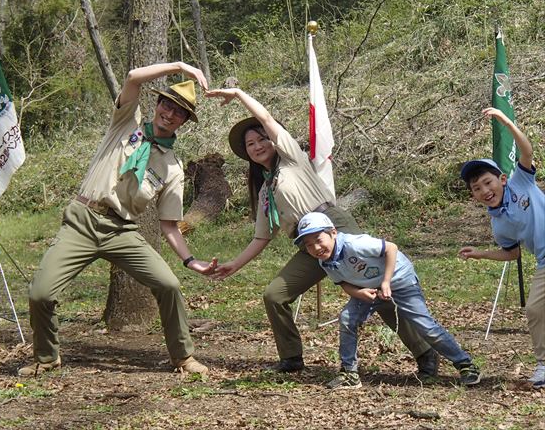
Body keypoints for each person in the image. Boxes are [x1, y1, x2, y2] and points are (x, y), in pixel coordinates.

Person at [205, 87, 439, 378]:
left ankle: (425, 353)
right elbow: (262, 237)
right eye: (250, 144)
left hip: (334, 228)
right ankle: (291, 358)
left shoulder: (291, 158)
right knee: (274, 295)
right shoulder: (265, 190)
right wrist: (234, 265)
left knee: (377, 294)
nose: (257, 146)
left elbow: (265, 116)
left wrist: (239, 94)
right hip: (307, 244)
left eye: (261, 138)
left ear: (273, 140)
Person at [19, 62, 216, 377]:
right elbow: (133, 77)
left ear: (184, 121)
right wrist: (180, 66)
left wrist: (191, 260)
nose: (170, 113)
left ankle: (183, 357)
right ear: (158, 104)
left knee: (169, 285)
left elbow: (168, 224)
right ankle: (46, 358)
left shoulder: (173, 168)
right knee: (41, 293)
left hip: (121, 231)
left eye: (179, 112)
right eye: (167, 104)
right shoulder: (126, 124)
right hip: (82, 221)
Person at [295, 211, 482, 390]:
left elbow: (391, 248)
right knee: (347, 318)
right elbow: (343, 283)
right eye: (309, 245)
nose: (316, 248)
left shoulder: (355, 244)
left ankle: (465, 364)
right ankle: (349, 373)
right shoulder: (324, 261)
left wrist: (386, 282)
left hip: (399, 279)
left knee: (425, 325)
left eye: (319, 240)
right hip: (370, 288)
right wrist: (359, 294)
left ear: (333, 233)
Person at [458, 106, 545, 389]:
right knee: (535, 310)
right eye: (477, 188)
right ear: (474, 197)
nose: (484, 190)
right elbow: (513, 252)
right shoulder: (499, 226)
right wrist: (480, 253)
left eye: (488, 182)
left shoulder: (521, 181)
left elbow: (527, 152)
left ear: (502, 179)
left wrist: (507, 122)